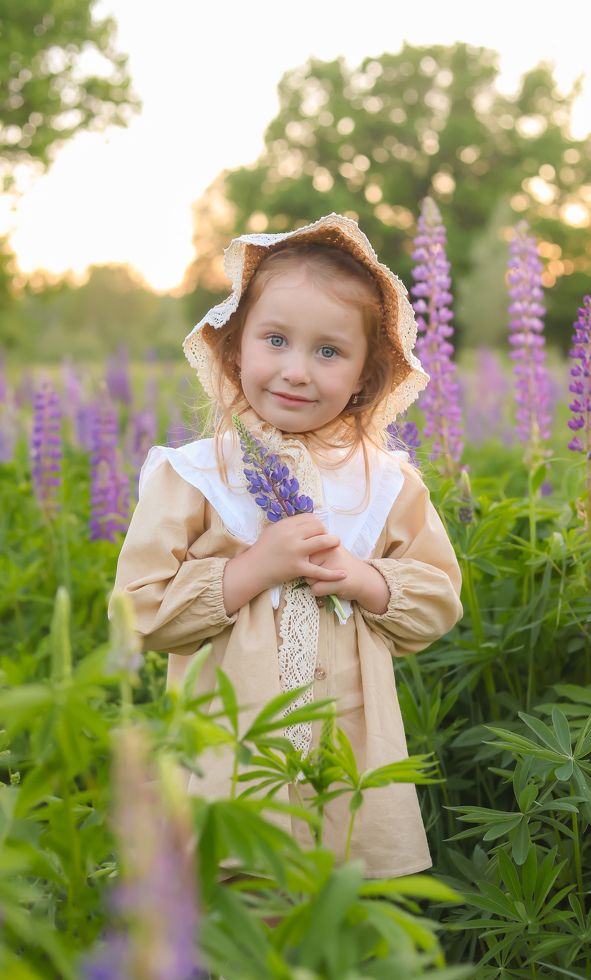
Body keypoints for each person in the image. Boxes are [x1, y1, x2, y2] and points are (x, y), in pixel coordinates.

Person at [112, 213, 463, 878]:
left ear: (364, 376)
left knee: (347, 919)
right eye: (276, 340)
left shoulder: (383, 482)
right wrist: (251, 570)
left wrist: (367, 579)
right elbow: (138, 612)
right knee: (251, 923)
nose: (298, 370)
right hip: (232, 754)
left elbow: (437, 599)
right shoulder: (193, 475)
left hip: (352, 758)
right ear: (237, 349)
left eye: (329, 351)